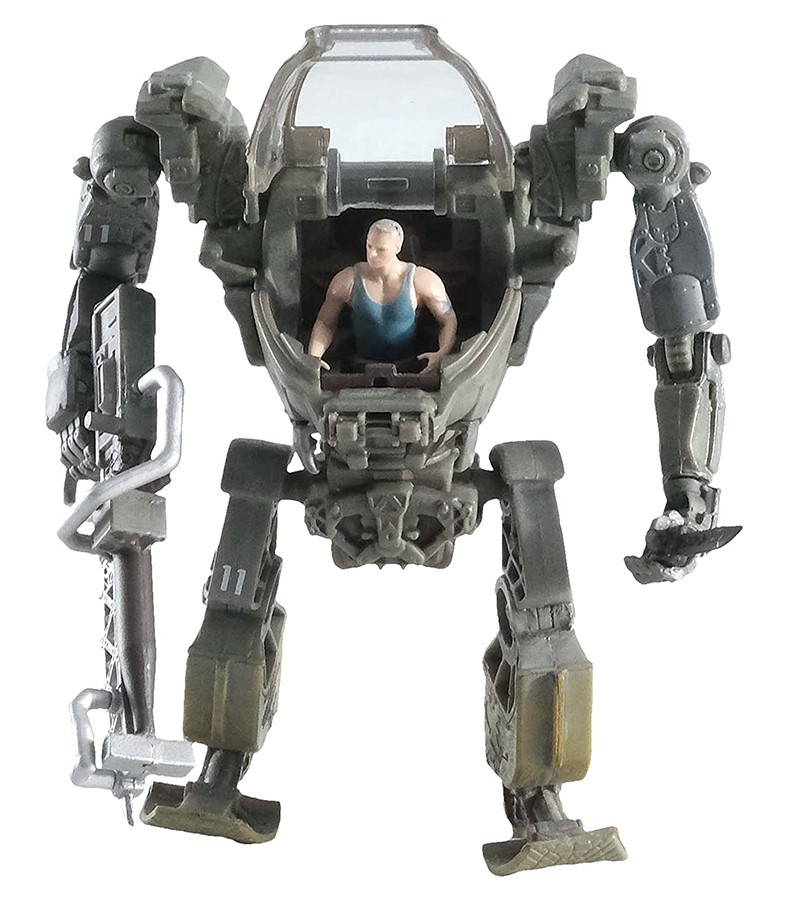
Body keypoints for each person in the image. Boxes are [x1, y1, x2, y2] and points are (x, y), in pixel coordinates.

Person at [308, 219, 457, 374]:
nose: (372, 254)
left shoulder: (422, 280)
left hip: (409, 367)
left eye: (381, 249)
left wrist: (442, 353)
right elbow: (325, 323)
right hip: (359, 367)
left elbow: (448, 320)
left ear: (397, 248)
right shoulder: (346, 281)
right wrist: (314, 358)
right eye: (369, 246)